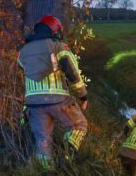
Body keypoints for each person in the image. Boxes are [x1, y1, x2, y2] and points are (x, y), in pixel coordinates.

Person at [17, 15, 88, 168]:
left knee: (43, 141)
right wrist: (83, 96)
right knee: (79, 126)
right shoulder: (58, 46)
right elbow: (71, 72)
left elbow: (24, 70)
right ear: (55, 32)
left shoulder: (23, 52)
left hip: (34, 105)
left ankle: (46, 174)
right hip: (58, 100)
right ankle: (67, 153)